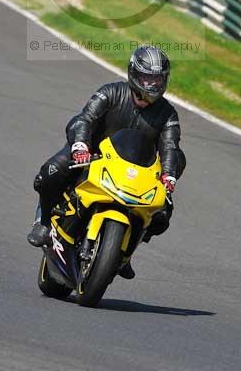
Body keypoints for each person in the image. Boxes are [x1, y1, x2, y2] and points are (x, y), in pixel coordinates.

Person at [27, 45, 186, 279]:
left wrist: (169, 176)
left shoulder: (167, 114)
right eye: (146, 78)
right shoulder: (111, 92)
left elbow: (170, 146)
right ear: (133, 74)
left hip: (135, 171)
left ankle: (125, 252)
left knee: (163, 211)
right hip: (92, 156)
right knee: (50, 173)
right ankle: (43, 222)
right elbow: (85, 118)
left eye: (158, 80)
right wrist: (81, 144)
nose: (152, 85)